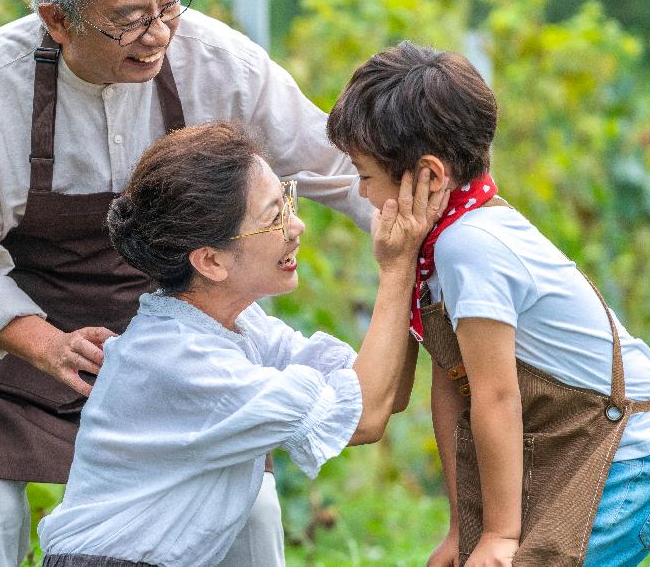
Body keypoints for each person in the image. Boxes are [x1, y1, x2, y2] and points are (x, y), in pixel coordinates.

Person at [0, 0, 375, 564]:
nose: (160, 33)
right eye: (131, 19)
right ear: (58, 20)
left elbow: (335, 165)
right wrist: (48, 345)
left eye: (170, 3)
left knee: (252, 510)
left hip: (185, 365)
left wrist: (433, 241)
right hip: (22, 369)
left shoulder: (217, 63)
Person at [325, 41, 650, 567]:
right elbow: (453, 395)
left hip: (633, 454)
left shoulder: (469, 246)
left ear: (429, 176)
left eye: (365, 175)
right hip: (586, 448)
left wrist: (500, 535)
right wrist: (464, 528)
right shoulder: (433, 251)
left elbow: (496, 396)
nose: (361, 194)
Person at [37, 122, 444, 566]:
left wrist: (413, 265)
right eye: (274, 217)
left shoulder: (235, 325)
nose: (297, 226)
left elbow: (382, 394)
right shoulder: (182, 359)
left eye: (286, 201)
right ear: (211, 261)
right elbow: (365, 418)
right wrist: (398, 266)